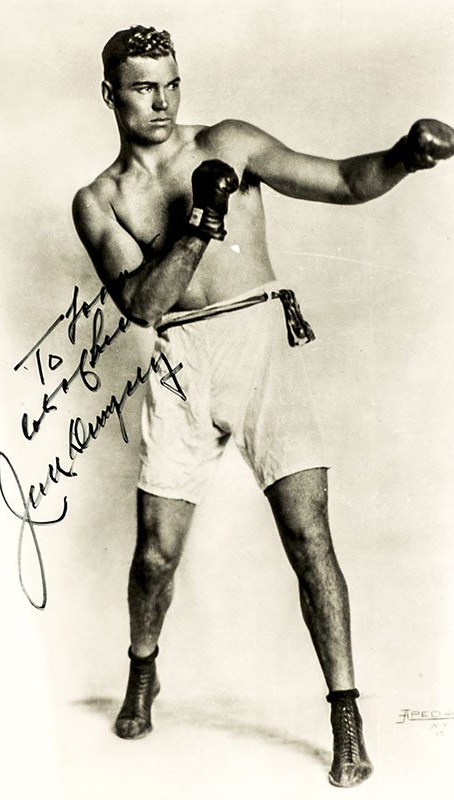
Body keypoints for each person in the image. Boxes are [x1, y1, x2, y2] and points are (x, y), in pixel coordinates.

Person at [72, 25, 454, 788]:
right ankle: (143, 668)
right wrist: (200, 222)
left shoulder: (230, 141)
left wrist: (405, 158)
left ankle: (346, 714)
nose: (162, 99)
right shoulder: (99, 201)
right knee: (155, 555)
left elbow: (345, 179)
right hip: (182, 361)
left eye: (171, 82)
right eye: (144, 86)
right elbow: (145, 307)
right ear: (110, 93)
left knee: (310, 536)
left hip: (261, 344)